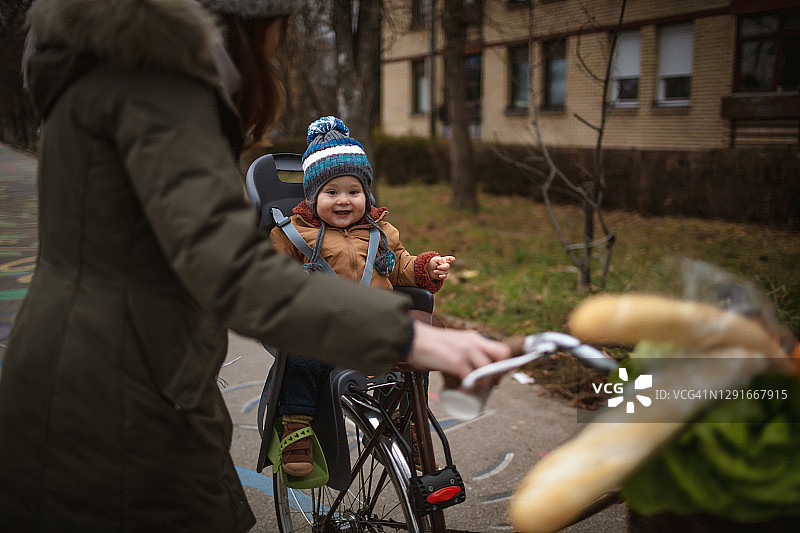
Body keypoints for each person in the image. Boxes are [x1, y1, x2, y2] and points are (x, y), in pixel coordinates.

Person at [0, 1, 509, 532]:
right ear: (252, 20)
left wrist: (417, 275)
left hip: (118, 371)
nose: (277, 45)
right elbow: (235, 271)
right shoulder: (159, 89)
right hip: (117, 397)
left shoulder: (109, 74)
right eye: (280, 28)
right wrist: (409, 338)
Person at [271, 116, 455, 476]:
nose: (344, 201)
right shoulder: (293, 235)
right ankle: (296, 427)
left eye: (353, 192)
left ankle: (408, 425)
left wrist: (425, 267)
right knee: (298, 356)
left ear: (366, 194)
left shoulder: (379, 231)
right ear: (313, 196)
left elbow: (398, 264)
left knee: (417, 350)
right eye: (332, 192)